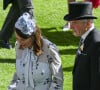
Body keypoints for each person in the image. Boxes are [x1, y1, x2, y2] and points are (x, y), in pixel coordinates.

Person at [7, 12, 63, 90]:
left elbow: (58, 82)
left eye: (23, 39)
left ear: (32, 36)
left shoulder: (49, 49)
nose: (19, 42)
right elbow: (18, 76)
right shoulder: (18, 46)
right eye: (17, 39)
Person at [64, 1, 100, 90]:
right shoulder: (85, 36)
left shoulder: (97, 44)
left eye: (75, 22)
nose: (71, 27)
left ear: (87, 23)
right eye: (70, 22)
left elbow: (97, 81)